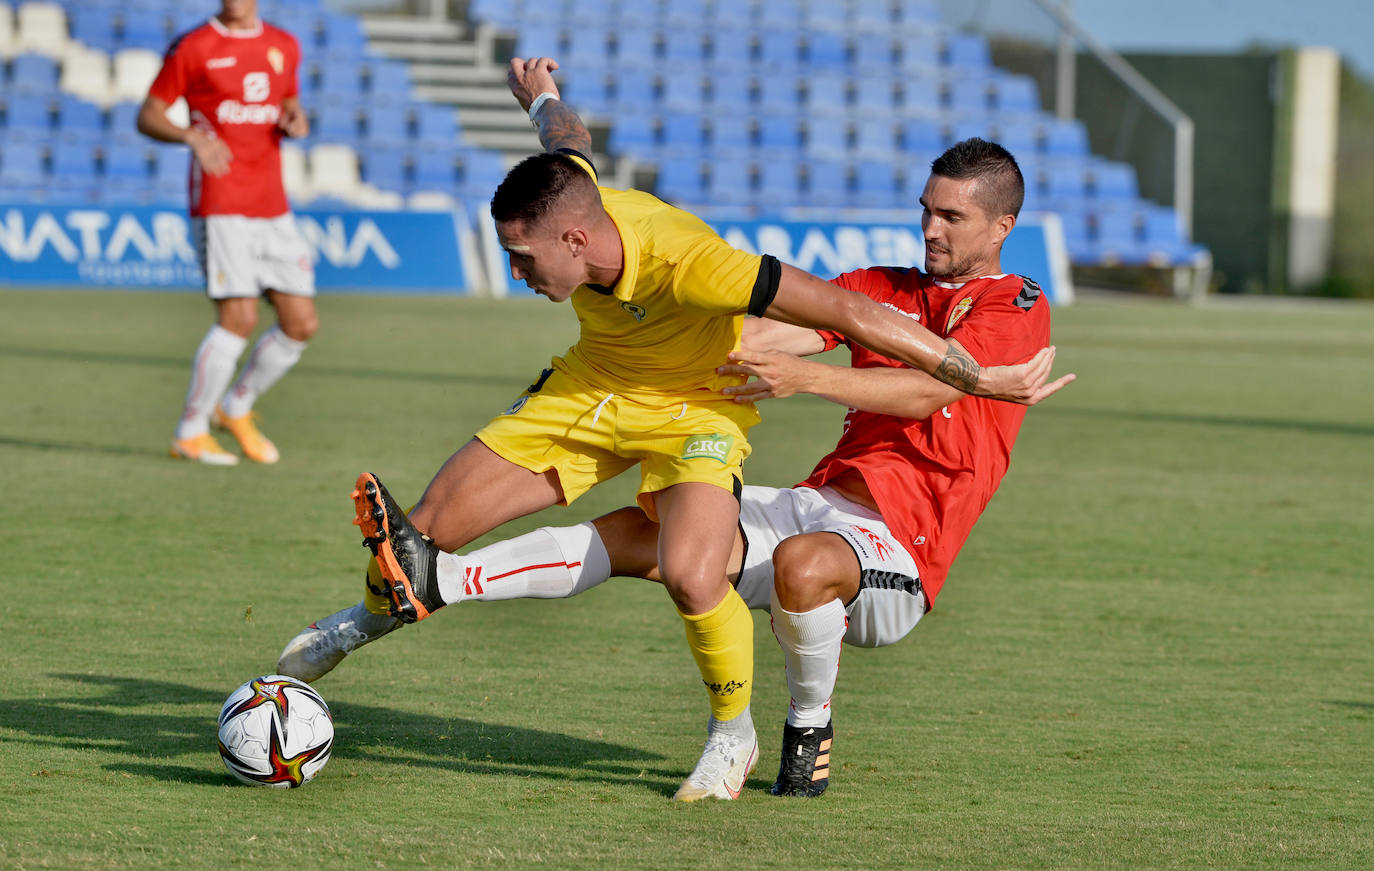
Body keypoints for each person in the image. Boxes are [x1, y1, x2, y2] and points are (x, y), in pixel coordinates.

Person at [278, 58, 1070, 801]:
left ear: (1002, 226)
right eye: (925, 210)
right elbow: (576, 154)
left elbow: (918, 386)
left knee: (780, 565)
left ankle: (802, 721)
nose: (930, 229)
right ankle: (411, 592)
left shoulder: (1016, 303)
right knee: (604, 534)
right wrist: (544, 98)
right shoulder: (883, 279)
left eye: (952, 217)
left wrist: (925, 377)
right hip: (795, 484)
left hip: (903, 542)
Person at [139, 0, 317, 466]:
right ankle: (190, 432)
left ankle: (235, 406)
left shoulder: (284, 45)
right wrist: (191, 136)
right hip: (220, 200)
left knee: (301, 324)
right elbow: (149, 114)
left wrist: (296, 119)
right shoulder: (194, 47)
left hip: (273, 204)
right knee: (237, 317)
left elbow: (289, 103)